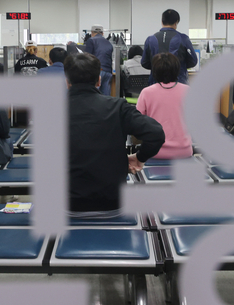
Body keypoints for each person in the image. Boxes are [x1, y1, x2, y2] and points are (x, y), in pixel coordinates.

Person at [65, 53, 165, 217]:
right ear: (99, 80)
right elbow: (156, 133)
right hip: (113, 203)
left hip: (68, 204)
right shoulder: (117, 107)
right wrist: (140, 157)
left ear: (67, 82)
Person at [136, 53, 192, 159]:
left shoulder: (146, 92)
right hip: (184, 151)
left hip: (154, 151)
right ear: (177, 70)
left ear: (155, 71)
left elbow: (137, 123)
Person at [141, 9, 198, 85]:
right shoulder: (183, 39)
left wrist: (158, 66)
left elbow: (144, 62)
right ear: (176, 22)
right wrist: (179, 66)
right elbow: (193, 61)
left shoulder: (150, 39)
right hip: (179, 83)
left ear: (162, 22)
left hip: (155, 84)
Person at [84, 25, 113, 95]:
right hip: (108, 72)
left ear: (92, 33)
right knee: (106, 97)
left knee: (93, 95)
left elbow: (87, 58)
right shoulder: (109, 42)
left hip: (97, 71)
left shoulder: (91, 40)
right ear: (102, 33)